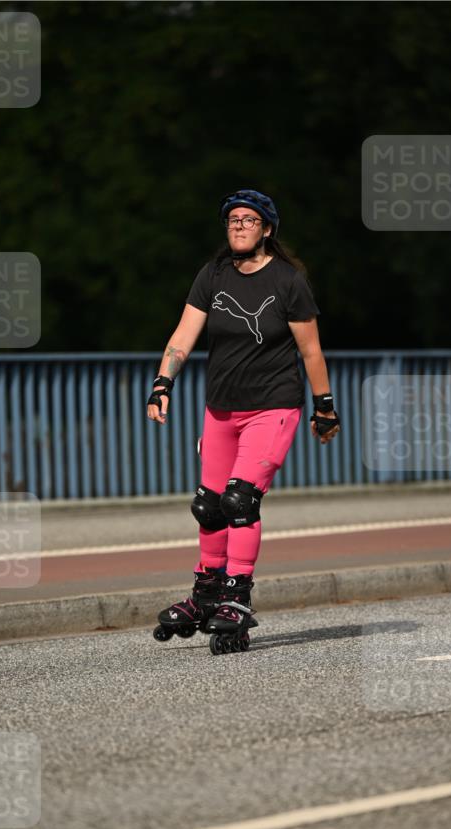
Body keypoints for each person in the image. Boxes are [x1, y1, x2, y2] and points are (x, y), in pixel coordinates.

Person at [147, 188, 339, 652]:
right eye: (232, 218)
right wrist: (161, 383)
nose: (238, 224)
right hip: (221, 409)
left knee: (239, 501)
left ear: (267, 230)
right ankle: (205, 593)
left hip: (273, 406)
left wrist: (325, 408)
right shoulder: (212, 276)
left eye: (248, 219)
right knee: (208, 506)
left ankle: (237, 597)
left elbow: (310, 351)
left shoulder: (288, 281)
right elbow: (183, 335)